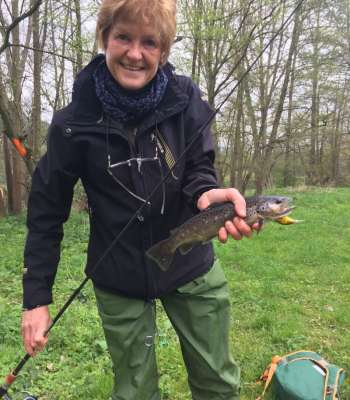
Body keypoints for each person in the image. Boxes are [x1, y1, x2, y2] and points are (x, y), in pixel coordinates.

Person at [21, 1, 256, 399]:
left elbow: (199, 167)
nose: (135, 53)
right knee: (134, 393)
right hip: (118, 276)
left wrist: (206, 193)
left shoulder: (185, 100)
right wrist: (36, 298)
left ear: (163, 50)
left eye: (149, 42)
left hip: (189, 263)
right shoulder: (73, 123)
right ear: (105, 39)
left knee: (218, 383)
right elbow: (46, 211)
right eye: (124, 37)